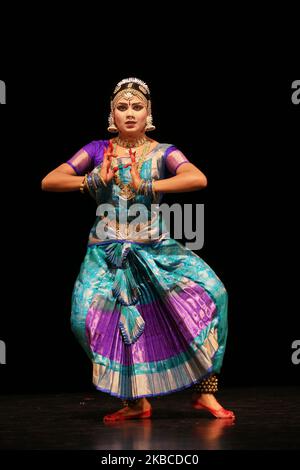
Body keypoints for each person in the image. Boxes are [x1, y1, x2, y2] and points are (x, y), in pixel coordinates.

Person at [41, 77, 235, 422]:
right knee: (81, 319)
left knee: (212, 294)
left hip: (155, 248)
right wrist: (92, 181)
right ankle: (135, 401)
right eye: (122, 107)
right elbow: (49, 180)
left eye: (137, 107)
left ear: (149, 113)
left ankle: (206, 392)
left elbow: (197, 178)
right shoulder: (97, 150)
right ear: (111, 114)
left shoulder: (164, 152)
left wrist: (148, 183)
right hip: (106, 253)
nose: (129, 114)